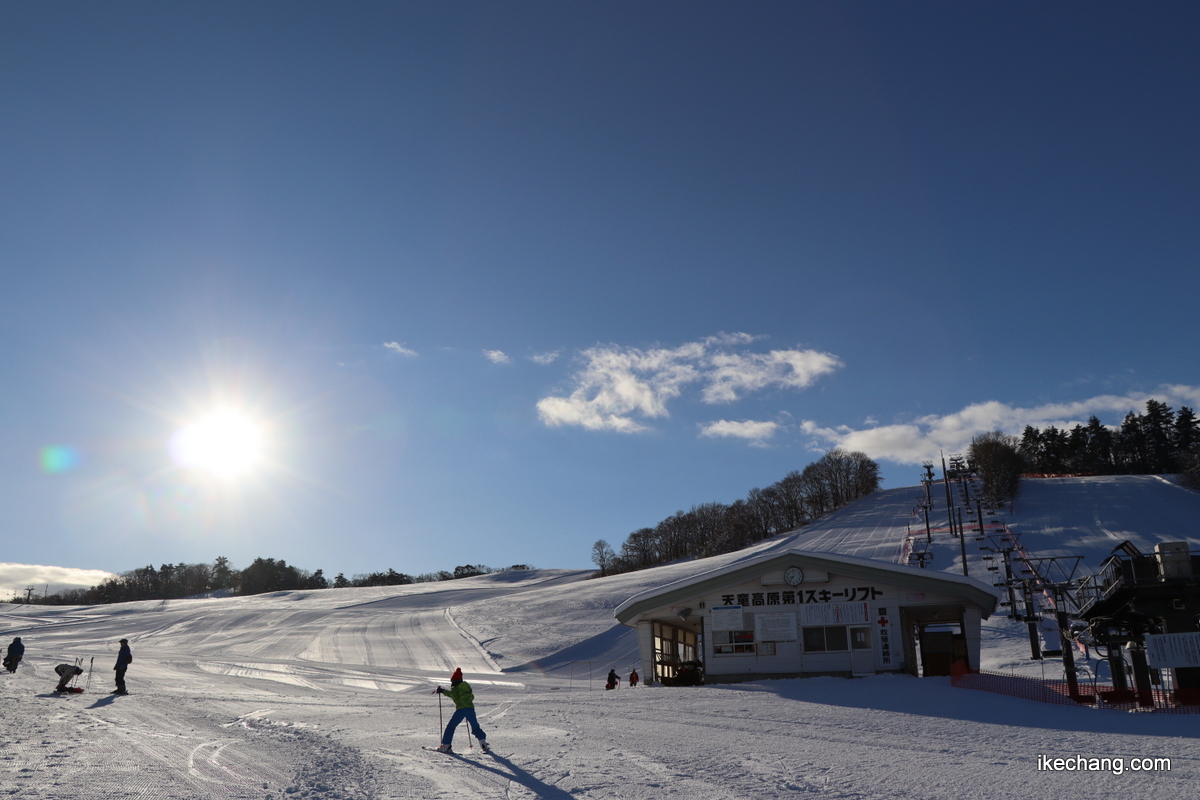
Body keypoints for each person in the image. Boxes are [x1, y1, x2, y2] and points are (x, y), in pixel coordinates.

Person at [433, 668, 488, 753]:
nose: (452, 682)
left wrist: (442, 691)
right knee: (475, 726)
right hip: (470, 709)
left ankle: (446, 745)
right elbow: (471, 697)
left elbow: (452, 695)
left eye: (452, 680)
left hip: (461, 709)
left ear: (454, 680)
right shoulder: (466, 687)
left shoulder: (456, 688)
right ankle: (483, 743)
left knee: (451, 726)